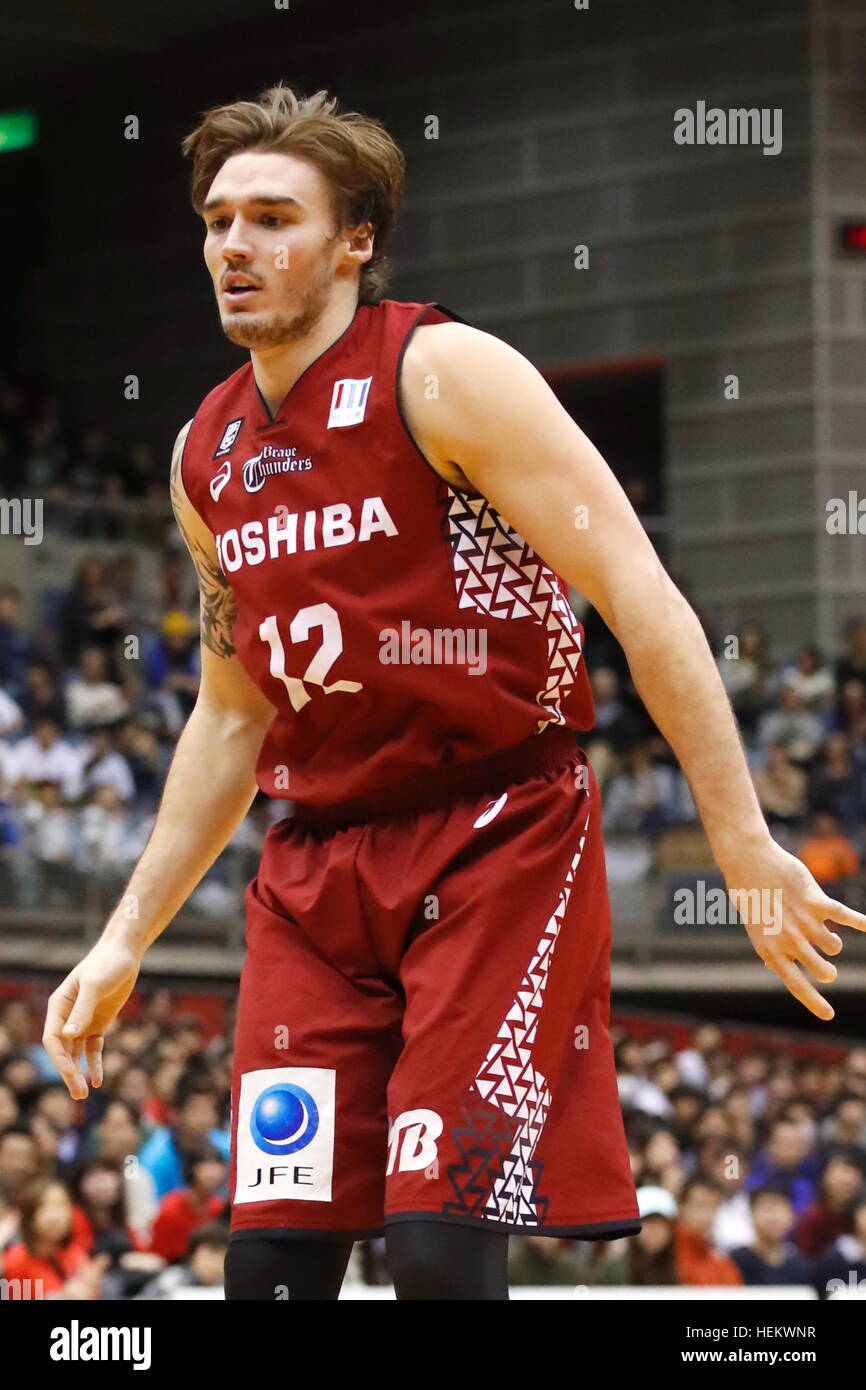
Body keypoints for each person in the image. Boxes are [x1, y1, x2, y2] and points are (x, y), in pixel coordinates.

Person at [42, 83, 866, 1304]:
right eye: (218, 219)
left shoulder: (445, 373)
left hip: (494, 835)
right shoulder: (200, 457)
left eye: (273, 217)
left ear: (356, 238)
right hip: (315, 867)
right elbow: (229, 716)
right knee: (268, 1262)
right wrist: (122, 938)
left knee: (433, 1246)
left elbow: (640, 598)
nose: (233, 246)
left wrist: (740, 838)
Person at [730, 1187, 813, 1286]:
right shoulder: (735, 1261)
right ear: (751, 1214)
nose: (773, 1218)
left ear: (792, 1216)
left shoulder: (800, 1266)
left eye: (780, 1208)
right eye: (767, 1209)